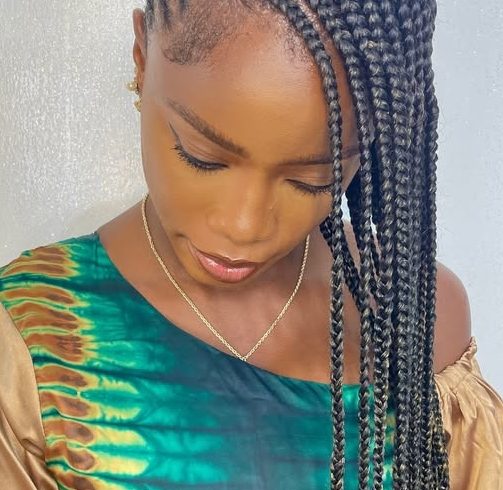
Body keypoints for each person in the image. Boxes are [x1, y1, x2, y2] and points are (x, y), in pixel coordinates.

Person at [0, 1, 502, 489]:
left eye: (310, 180)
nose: (244, 227)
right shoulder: (34, 336)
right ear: (141, 57)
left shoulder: (417, 321)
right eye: (201, 157)